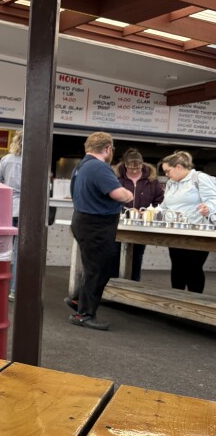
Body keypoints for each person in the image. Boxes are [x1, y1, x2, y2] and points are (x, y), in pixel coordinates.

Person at [66, 132, 133, 330]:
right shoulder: (99, 167)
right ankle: (85, 315)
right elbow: (119, 194)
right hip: (97, 225)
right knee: (99, 270)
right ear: (108, 149)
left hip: (82, 220)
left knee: (93, 267)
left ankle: (79, 300)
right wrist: (129, 193)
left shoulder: (81, 166)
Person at [160, 150, 216, 293]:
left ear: (178, 167)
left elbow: (213, 198)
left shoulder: (200, 178)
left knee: (193, 269)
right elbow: (165, 205)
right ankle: (175, 304)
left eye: (168, 171)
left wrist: (208, 207)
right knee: (177, 268)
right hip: (175, 231)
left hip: (198, 232)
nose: (167, 175)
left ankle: (195, 304)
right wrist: (152, 212)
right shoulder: (171, 183)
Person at [110, 148, 164, 281]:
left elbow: (160, 201)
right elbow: (109, 198)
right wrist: (126, 210)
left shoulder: (152, 180)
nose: (134, 171)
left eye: (137, 168)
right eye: (130, 168)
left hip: (141, 225)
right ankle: (114, 284)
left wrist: (148, 211)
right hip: (119, 224)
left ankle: (134, 284)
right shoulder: (115, 178)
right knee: (115, 255)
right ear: (124, 165)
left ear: (142, 164)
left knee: (137, 256)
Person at [0, 133, 22, 300]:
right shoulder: (37, 161)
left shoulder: (7, 159)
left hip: (7, 211)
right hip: (26, 211)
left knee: (0, 250)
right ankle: (14, 291)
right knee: (19, 254)